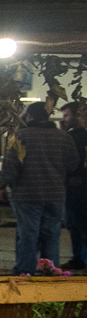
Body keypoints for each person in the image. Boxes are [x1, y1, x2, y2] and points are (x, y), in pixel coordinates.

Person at [0, 102, 78, 275]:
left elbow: (10, 165)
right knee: (51, 234)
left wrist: (2, 185)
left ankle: (25, 270)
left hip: (26, 194)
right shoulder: (64, 137)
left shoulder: (20, 136)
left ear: (29, 116)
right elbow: (72, 164)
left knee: (28, 234)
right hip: (55, 193)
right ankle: (50, 270)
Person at [61, 103, 87, 271]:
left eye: (67, 115)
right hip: (75, 187)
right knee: (75, 225)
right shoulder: (71, 136)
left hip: (78, 187)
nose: (63, 119)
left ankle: (80, 259)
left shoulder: (76, 137)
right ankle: (79, 259)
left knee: (78, 224)